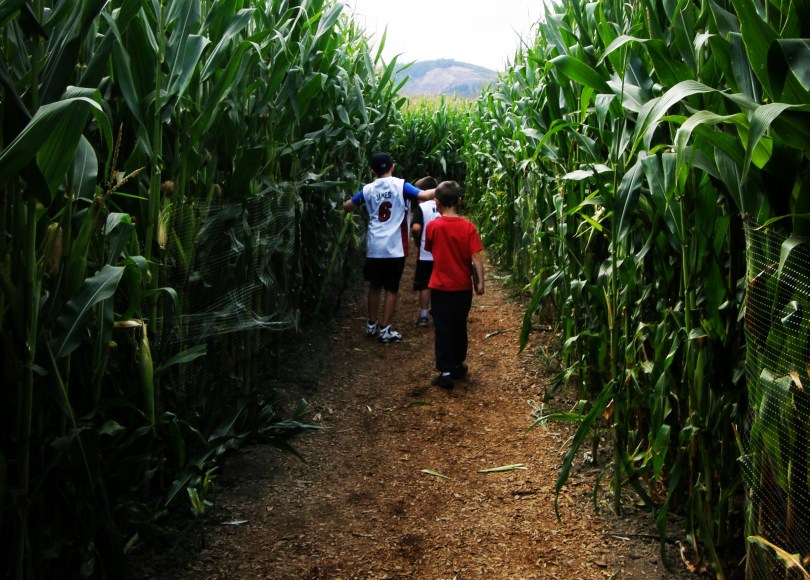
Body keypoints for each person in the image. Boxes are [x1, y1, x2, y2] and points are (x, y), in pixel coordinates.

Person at [344, 153, 435, 343]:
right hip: (395, 247)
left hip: (375, 246)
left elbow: (348, 206)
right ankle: (385, 329)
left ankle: (371, 325)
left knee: (374, 286)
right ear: (392, 167)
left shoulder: (368, 189)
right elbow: (425, 195)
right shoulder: (401, 185)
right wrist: (446, 188)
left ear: (372, 171)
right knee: (391, 288)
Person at [424, 180, 485, 388]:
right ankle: (458, 363)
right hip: (462, 287)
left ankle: (446, 371)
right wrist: (480, 283)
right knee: (459, 325)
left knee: (443, 327)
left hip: (440, 287)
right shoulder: (468, 227)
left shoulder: (433, 226)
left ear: (436, 202)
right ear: (459, 200)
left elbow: (430, 248)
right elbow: (476, 258)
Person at [409, 176, 439, 327]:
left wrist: (416, 240)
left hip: (425, 253)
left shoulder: (421, 208)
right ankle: (438, 311)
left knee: (425, 284)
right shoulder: (444, 205)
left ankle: (423, 315)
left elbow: (416, 228)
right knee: (439, 283)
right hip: (441, 254)